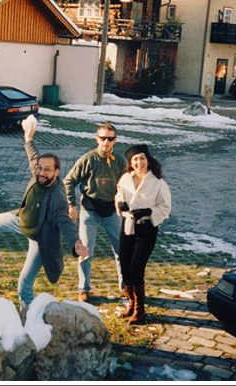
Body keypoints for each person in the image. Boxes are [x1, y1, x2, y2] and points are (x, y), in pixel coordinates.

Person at [0, 119, 88, 311]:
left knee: (24, 284)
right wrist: (28, 138)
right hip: (19, 219)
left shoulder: (58, 197)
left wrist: (76, 243)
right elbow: (33, 156)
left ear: (57, 172)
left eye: (47, 170)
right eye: (40, 169)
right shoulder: (38, 172)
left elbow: (65, 223)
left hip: (39, 237)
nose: (41, 173)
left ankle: (28, 317)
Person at [63, 123, 127, 302]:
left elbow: (128, 185)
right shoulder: (88, 159)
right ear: (96, 139)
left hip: (112, 211)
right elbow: (68, 181)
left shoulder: (120, 160)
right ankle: (83, 289)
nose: (106, 142)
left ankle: (125, 286)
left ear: (115, 140)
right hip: (90, 211)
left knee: (121, 251)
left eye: (110, 138)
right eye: (102, 138)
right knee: (85, 252)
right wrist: (72, 205)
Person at [115, 144, 171, 324]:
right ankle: (131, 303)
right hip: (128, 225)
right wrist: (121, 206)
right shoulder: (125, 178)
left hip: (146, 228)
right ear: (131, 163)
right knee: (124, 267)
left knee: (136, 269)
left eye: (142, 158)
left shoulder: (158, 182)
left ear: (148, 160)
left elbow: (165, 207)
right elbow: (119, 197)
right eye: (135, 159)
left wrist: (148, 212)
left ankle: (140, 310)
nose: (139, 163)